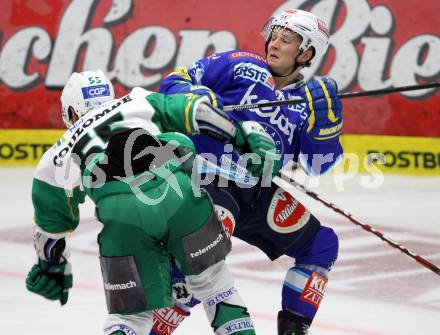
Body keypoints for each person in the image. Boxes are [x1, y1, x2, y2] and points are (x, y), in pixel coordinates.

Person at [25, 69, 279, 335]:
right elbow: (199, 113)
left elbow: (51, 230)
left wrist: (51, 266)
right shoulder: (136, 100)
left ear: (72, 113)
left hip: (122, 217)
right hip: (179, 196)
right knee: (216, 286)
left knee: (131, 319)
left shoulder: (56, 156)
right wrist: (242, 138)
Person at [158, 9, 343, 335]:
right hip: (209, 179)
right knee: (203, 259)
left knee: (321, 246)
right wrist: (198, 98)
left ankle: (294, 329)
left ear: (307, 52)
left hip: (255, 192)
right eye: (274, 35)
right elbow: (173, 83)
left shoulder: (307, 102)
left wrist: (326, 131)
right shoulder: (240, 63)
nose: (274, 43)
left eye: (287, 40)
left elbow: (317, 165)